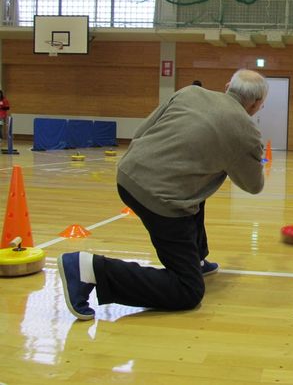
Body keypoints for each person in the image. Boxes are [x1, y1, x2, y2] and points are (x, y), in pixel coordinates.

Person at [58, 69, 268, 320]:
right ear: (256, 104)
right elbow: (253, 186)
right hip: (161, 199)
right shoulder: (247, 132)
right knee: (187, 291)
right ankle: (87, 269)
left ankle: (197, 260)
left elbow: (143, 130)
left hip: (128, 174)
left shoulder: (190, 93)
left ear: (227, 87)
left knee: (198, 187)